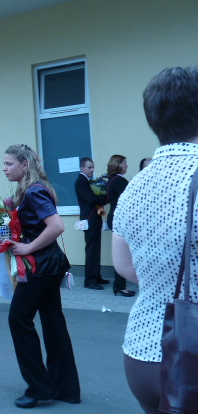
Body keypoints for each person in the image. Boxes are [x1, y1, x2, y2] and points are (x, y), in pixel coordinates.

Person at [113, 66, 198, 413]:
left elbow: (123, 266)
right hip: (191, 361)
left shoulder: (133, 188)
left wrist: (164, 280)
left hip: (142, 352)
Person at [3, 144, 80, 409]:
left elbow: (56, 226)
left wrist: (27, 247)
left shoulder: (34, 191)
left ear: (24, 165)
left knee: (18, 319)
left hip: (41, 267)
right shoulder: (33, 189)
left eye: (9, 163)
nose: (4, 168)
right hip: (50, 265)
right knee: (53, 322)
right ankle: (65, 388)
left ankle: (38, 387)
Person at [74, 157, 109, 289]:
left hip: (94, 219)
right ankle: (90, 280)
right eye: (89, 167)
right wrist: (108, 197)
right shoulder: (81, 181)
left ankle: (96, 276)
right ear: (82, 168)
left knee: (96, 249)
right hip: (89, 219)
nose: (92, 170)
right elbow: (91, 199)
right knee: (92, 250)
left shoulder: (88, 181)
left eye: (93, 167)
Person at [105, 155, 135, 297]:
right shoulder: (120, 181)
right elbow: (130, 201)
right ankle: (120, 286)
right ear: (118, 165)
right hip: (121, 219)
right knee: (124, 254)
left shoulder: (111, 180)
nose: (126, 165)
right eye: (124, 163)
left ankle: (120, 285)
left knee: (122, 252)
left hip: (114, 217)